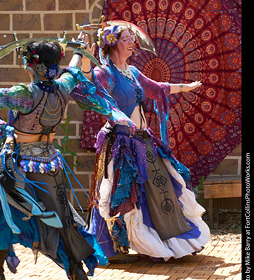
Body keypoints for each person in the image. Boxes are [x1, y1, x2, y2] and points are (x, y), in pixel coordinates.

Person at [0, 39, 131, 280]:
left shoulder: (26, 94)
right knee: (61, 217)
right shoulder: (63, 87)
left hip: (20, 166)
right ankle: (76, 270)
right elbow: (72, 71)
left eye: (27, 60)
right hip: (50, 163)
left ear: (33, 65)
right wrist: (80, 51)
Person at [72, 25, 210, 261]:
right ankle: (114, 248)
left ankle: (171, 239)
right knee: (122, 195)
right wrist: (86, 59)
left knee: (162, 186)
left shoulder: (132, 72)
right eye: (126, 39)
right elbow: (88, 86)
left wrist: (185, 87)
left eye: (132, 39)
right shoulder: (107, 73)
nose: (132, 42)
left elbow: (157, 89)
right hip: (122, 142)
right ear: (113, 43)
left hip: (143, 140)